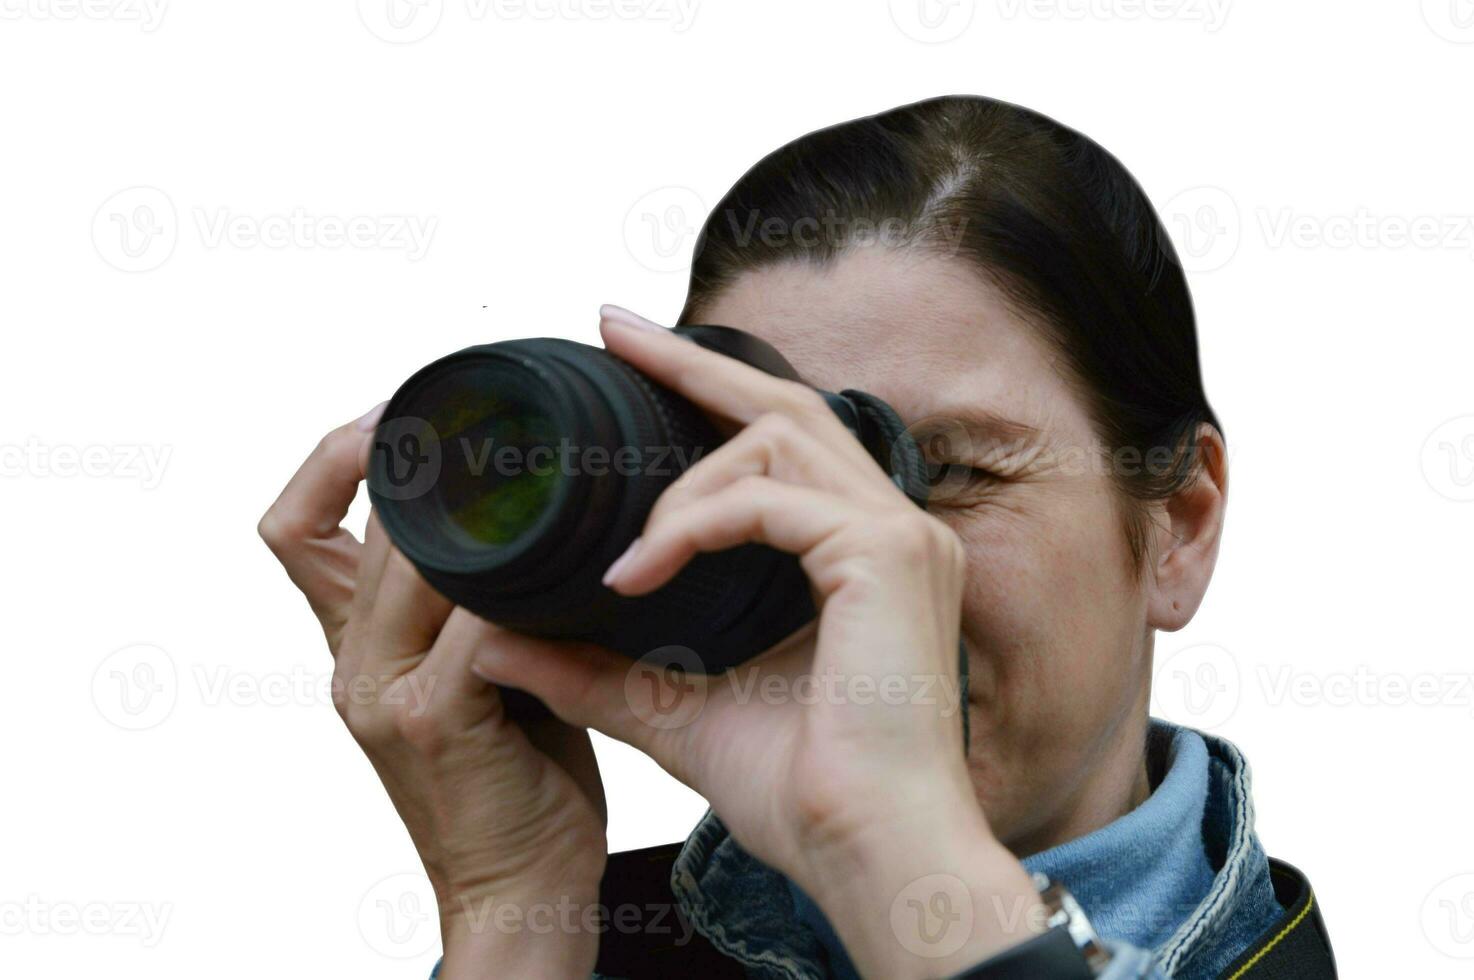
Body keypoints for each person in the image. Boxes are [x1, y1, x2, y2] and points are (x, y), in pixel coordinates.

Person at [260, 96, 1334, 978]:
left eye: (948, 468)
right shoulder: (588, 936)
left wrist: (909, 871)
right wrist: (514, 913)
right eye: (755, 467)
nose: (849, 558)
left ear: (1178, 529)